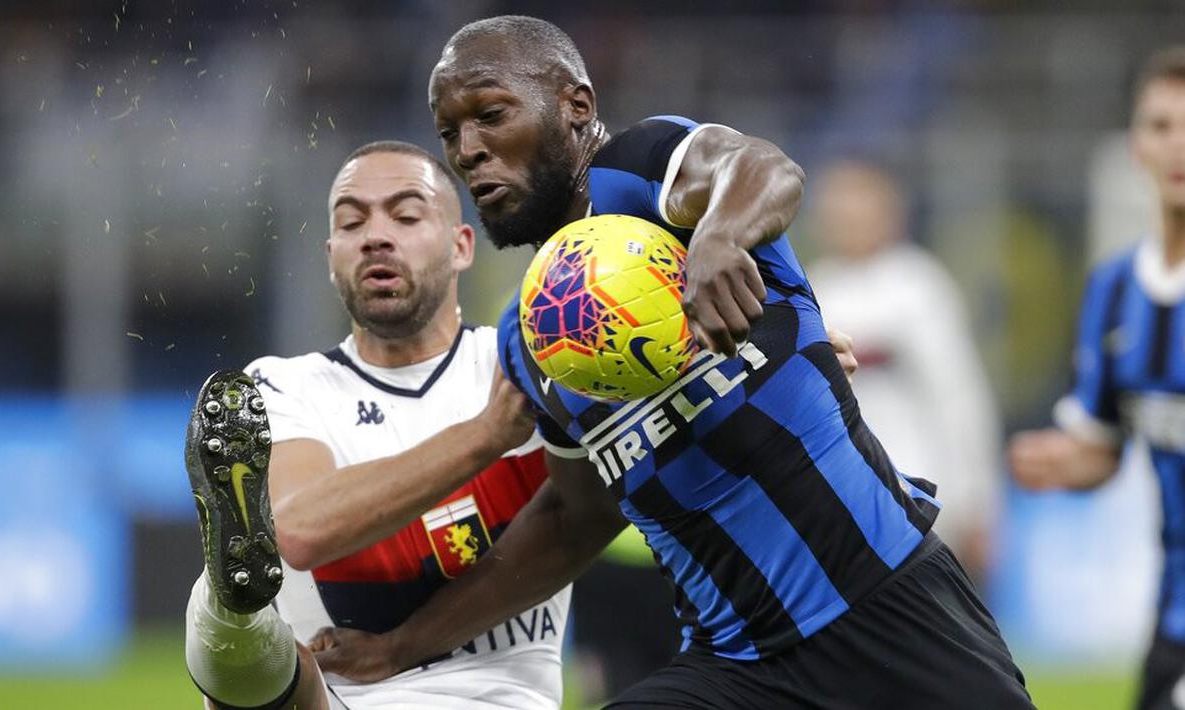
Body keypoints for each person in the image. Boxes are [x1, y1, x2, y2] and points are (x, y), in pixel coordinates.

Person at [310, 15, 1032, 708]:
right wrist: (400, 647)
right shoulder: (528, 337)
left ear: (575, 107)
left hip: (890, 606)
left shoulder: (646, 175)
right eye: (449, 132)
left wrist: (718, 237)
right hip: (733, 667)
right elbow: (572, 517)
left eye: (490, 115)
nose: (468, 149)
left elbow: (762, 166)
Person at [182, 140, 565, 710]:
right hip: (335, 700)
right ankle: (232, 607)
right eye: (351, 222)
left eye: (406, 216)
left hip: (503, 700)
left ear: (462, 246)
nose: (375, 237)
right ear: (330, 255)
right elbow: (300, 529)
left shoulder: (523, 360)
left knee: (230, 627)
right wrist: (488, 434)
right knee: (236, 613)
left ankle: (229, 614)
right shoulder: (283, 385)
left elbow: (583, 517)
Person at [1009, 47, 1185, 710]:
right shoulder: (1113, 291)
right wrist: (1064, 461)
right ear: (1135, 146)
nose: (1179, 144)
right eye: (1161, 125)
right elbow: (1104, 447)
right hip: (1172, 619)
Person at [808, 158, 1002, 581]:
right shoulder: (813, 289)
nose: (849, 218)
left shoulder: (918, 285)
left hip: (921, 494)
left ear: (890, 211)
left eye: (860, 204)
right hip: (843, 504)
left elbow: (958, 397)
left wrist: (978, 501)